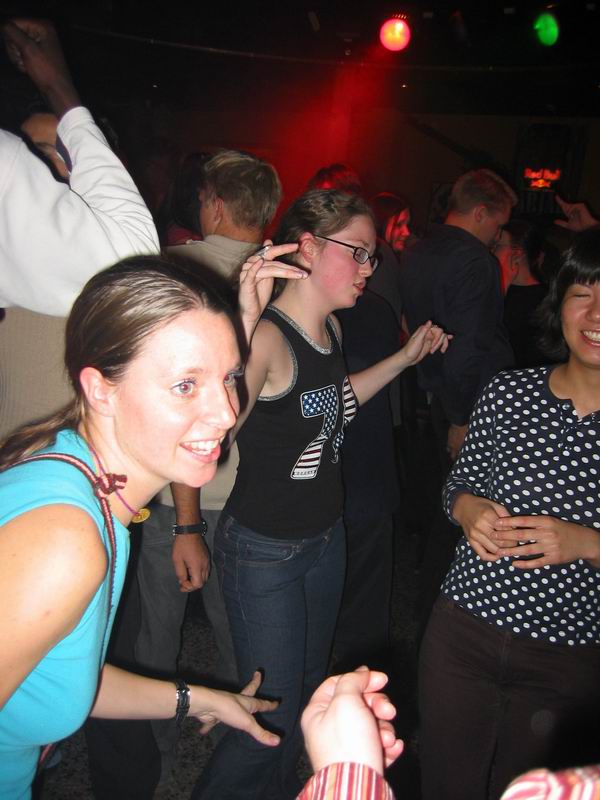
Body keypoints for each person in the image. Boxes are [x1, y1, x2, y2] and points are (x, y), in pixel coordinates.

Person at [0, 253, 310, 800]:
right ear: (101, 389)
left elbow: (59, 677)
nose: (226, 413)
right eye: (186, 385)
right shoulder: (66, 540)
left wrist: (202, 698)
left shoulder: (85, 482)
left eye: (228, 378)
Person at [191, 188, 449, 800]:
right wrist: (243, 321)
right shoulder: (268, 339)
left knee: (306, 695)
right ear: (307, 247)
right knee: (268, 714)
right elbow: (210, 429)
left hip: (324, 538)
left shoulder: (329, 328)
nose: (368, 268)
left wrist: (403, 359)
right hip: (264, 551)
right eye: (358, 251)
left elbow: (334, 406)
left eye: (372, 256)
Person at [418, 228, 600, 800]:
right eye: (582, 294)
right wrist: (466, 506)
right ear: (560, 303)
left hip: (566, 654)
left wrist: (587, 543)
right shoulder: (509, 392)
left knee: (527, 791)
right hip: (462, 633)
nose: (596, 314)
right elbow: (458, 484)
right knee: (444, 784)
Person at [496, 219, 550, 367]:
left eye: (497, 246)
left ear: (517, 254)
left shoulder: (544, 300)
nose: (491, 251)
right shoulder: (496, 290)